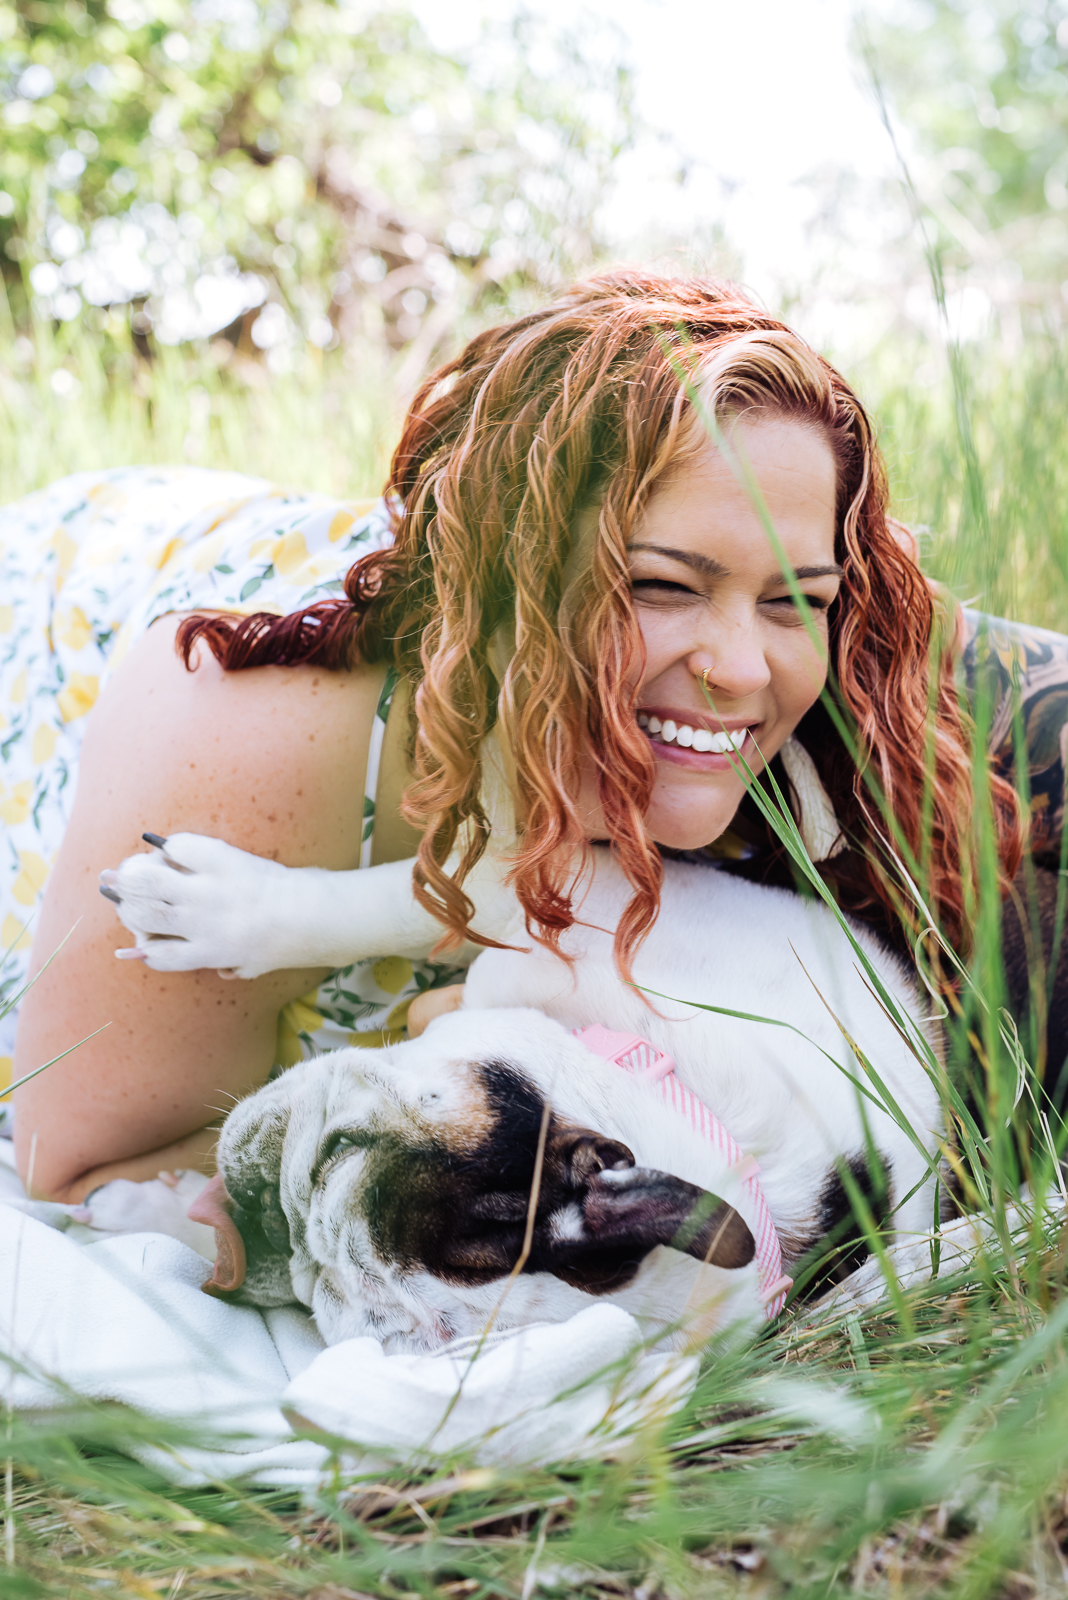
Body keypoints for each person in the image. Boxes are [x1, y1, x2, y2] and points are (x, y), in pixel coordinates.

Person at [0, 272, 1039, 1204]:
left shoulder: (834, 680)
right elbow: (78, 1167)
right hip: (63, 620)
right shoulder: (255, 736)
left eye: (795, 598)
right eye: (660, 585)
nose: (742, 668)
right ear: (502, 591)